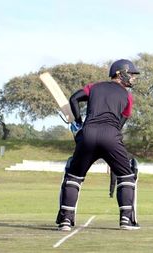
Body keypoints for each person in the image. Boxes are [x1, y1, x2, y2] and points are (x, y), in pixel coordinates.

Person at [56, 59, 140, 231]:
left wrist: (79, 125)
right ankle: (126, 220)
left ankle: (65, 221)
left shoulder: (93, 87)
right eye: (131, 74)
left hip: (88, 134)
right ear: (120, 73)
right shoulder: (127, 97)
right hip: (111, 136)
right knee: (127, 175)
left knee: (73, 176)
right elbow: (119, 123)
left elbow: (74, 99)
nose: (133, 78)